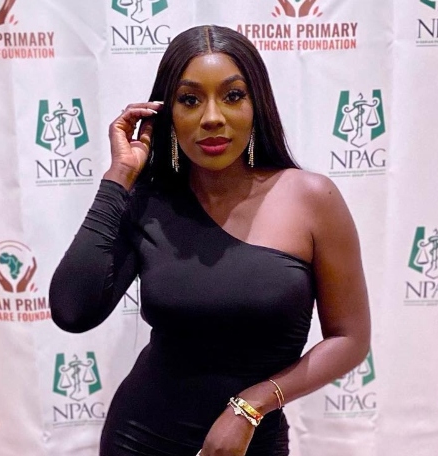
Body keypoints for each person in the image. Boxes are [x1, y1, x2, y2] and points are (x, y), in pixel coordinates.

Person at [49, 25, 370, 456]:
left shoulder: (311, 199)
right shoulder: (149, 203)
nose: (212, 117)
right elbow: (72, 311)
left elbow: (349, 338)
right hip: (140, 439)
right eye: (190, 100)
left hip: (250, 443)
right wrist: (119, 177)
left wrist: (251, 407)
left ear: (257, 105)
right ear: (167, 114)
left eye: (233, 96)